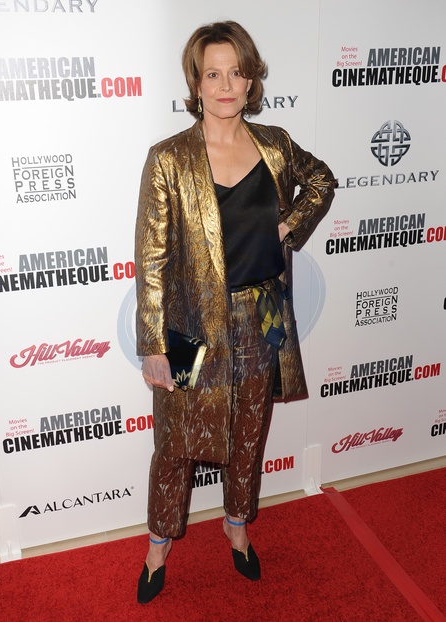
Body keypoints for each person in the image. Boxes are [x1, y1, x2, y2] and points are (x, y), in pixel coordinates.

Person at [134, 20, 336, 604]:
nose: (226, 86)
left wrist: (288, 225)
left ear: (251, 81)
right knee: (175, 444)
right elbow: (151, 259)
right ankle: (157, 543)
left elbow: (321, 181)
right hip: (187, 325)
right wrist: (153, 344)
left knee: (249, 431)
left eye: (236, 73)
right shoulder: (169, 158)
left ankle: (237, 525)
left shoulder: (274, 144)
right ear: (196, 85)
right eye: (212, 74)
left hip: (261, 314)